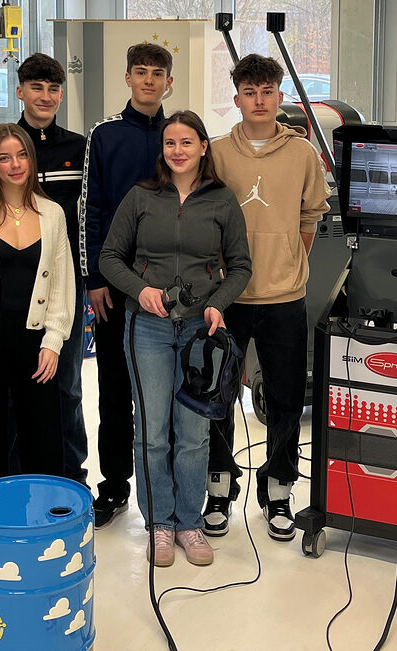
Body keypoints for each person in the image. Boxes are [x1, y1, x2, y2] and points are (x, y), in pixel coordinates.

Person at [100, 110, 252, 568]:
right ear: (162, 150)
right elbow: (110, 258)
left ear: (203, 147)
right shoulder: (141, 197)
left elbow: (241, 265)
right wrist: (141, 290)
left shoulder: (222, 200)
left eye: (188, 142)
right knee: (151, 433)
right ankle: (159, 524)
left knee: (193, 433)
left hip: (199, 332)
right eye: (170, 143)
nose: (178, 150)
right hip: (146, 326)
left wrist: (218, 302)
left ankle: (190, 522)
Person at [203, 53, 330, 541]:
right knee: (218, 396)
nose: (259, 101)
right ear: (236, 99)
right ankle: (219, 487)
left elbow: (311, 216)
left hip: (283, 299)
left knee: (283, 400)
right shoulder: (215, 153)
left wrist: (287, 263)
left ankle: (278, 492)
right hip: (227, 298)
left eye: (267, 92)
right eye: (249, 93)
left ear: (280, 97)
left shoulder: (302, 154)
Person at [82, 42, 174, 528]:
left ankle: (171, 489)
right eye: (140, 72)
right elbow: (91, 207)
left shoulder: (179, 135)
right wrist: (94, 277)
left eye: (157, 74)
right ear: (128, 78)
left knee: (169, 393)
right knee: (115, 390)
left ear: (168, 83)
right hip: (115, 284)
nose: (148, 81)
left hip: (170, 285)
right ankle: (114, 486)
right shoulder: (106, 135)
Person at [0, 123, 75, 485]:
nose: (15, 164)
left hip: (35, 346)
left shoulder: (52, 213)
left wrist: (54, 342)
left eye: (22, 155)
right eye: (4, 157)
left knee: (45, 443)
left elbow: (62, 284)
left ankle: (45, 528)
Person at [13, 52, 90, 489]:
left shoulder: (79, 147)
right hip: (11, 285)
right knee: (16, 385)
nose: (45, 96)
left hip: (66, 285)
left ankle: (70, 474)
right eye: (36, 88)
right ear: (20, 91)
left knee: (65, 383)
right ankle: (17, 474)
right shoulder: (1, 144)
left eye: (53, 88)